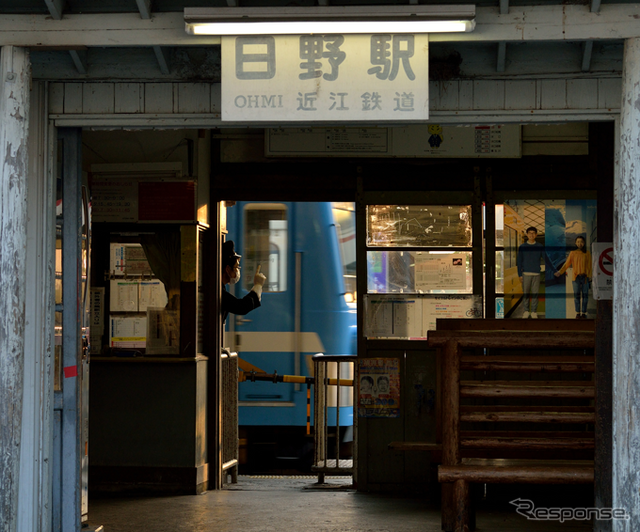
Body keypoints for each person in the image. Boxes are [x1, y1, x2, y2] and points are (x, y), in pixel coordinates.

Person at [221, 240, 266, 324]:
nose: (237, 271)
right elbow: (241, 307)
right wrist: (258, 285)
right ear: (227, 269)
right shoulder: (217, 292)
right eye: (236, 267)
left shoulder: (218, 289)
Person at [554, 236, 592, 319]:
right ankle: (578, 313)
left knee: (585, 296)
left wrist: (590, 276)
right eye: (578, 242)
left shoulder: (587, 253)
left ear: (584, 243)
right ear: (575, 243)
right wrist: (560, 272)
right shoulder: (572, 253)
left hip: (585, 277)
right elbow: (566, 264)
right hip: (576, 278)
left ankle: (584, 312)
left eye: (581, 241)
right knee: (576, 295)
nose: (579, 243)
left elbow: (589, 265)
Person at [516, 226, 545, 319]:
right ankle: (526, 311)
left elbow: (545, 258)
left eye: (533, 233)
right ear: (527, 235)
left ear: (536, 235)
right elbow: (519, 262)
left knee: (535, 294)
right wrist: (520, 275)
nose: (531, 235)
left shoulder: (540, 246)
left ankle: (534, 312)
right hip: (525, 274)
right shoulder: (522, 247)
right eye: (530, 233)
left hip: (536, 273)